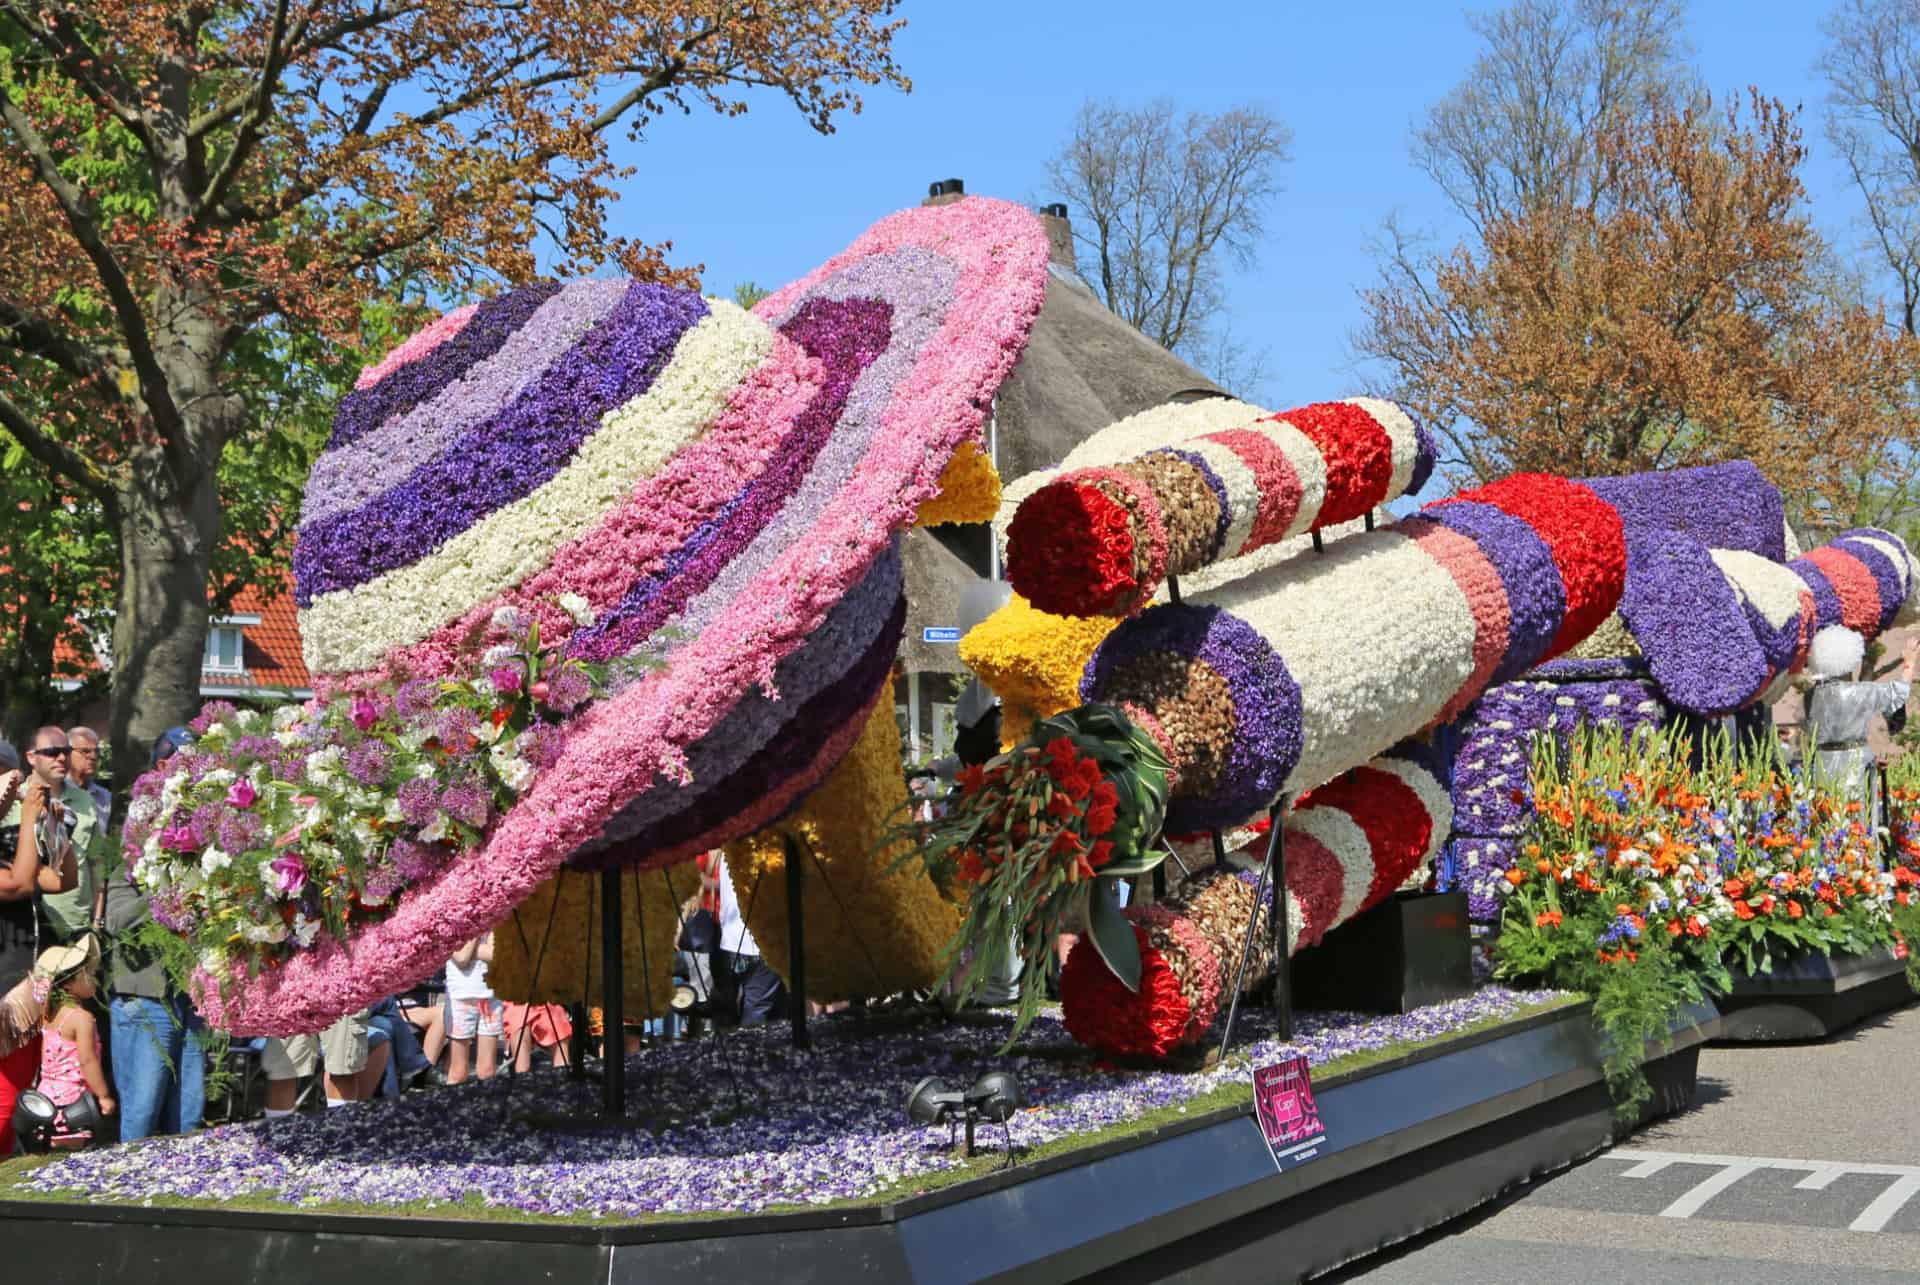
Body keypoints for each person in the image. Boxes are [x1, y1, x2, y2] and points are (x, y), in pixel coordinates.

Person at [0, 739, 76, 1154]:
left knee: (14, 1096)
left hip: (19, 987)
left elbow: (61, 880)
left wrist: (53, 827)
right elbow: (19, 883)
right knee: (4, 1100)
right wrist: (28, 817)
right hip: (3, 996)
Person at [1804, 628, 1917, 821]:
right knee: (1856, 819)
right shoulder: (1858, 692)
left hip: (1823, 762)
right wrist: (1909, 662)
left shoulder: (1811, 696)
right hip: (1854, 763)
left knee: (1827, 818)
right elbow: (1897, 693)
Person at [12, 728, 96, 945]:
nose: (61, 758)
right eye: (51, 752)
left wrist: (98, 920)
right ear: (31, 757)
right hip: (28, 928)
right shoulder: (10, 802)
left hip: (77, 924)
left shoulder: (85, 800)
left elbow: (96, 864)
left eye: (66, 751)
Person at [36, 936, 113, 1148]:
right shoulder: (81, 1018)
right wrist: (104, 1095)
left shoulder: (49, 1014)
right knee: (79, 1152)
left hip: (46, 1100)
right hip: (73, 1104)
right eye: (87, 974)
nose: (94, 977)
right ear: (68, 984)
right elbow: (88, 1061)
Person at [707, 851, 787, 1027]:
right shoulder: (774, 851)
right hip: (762, 945)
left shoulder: (727, 851)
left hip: (731, 943)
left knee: (725, 1011)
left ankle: (726, 1050)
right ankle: (747, 1050)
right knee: (755, 1012)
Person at [261, 1008, 386, 1114]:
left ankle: (340, 1133)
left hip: (342, 989)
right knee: (282, 1073)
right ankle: (279, 1136)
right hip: (289, 987)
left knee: (343, 1070)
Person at [444, 933, 503, 1083]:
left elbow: (496, 954)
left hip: (490, 996)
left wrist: (467, 948)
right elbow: (461, 958)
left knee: (487, 1070)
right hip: (460, 996)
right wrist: (479, 927)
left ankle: (486, 1105)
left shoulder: (494, 916)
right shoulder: (451, 919)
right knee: (458, 1071)